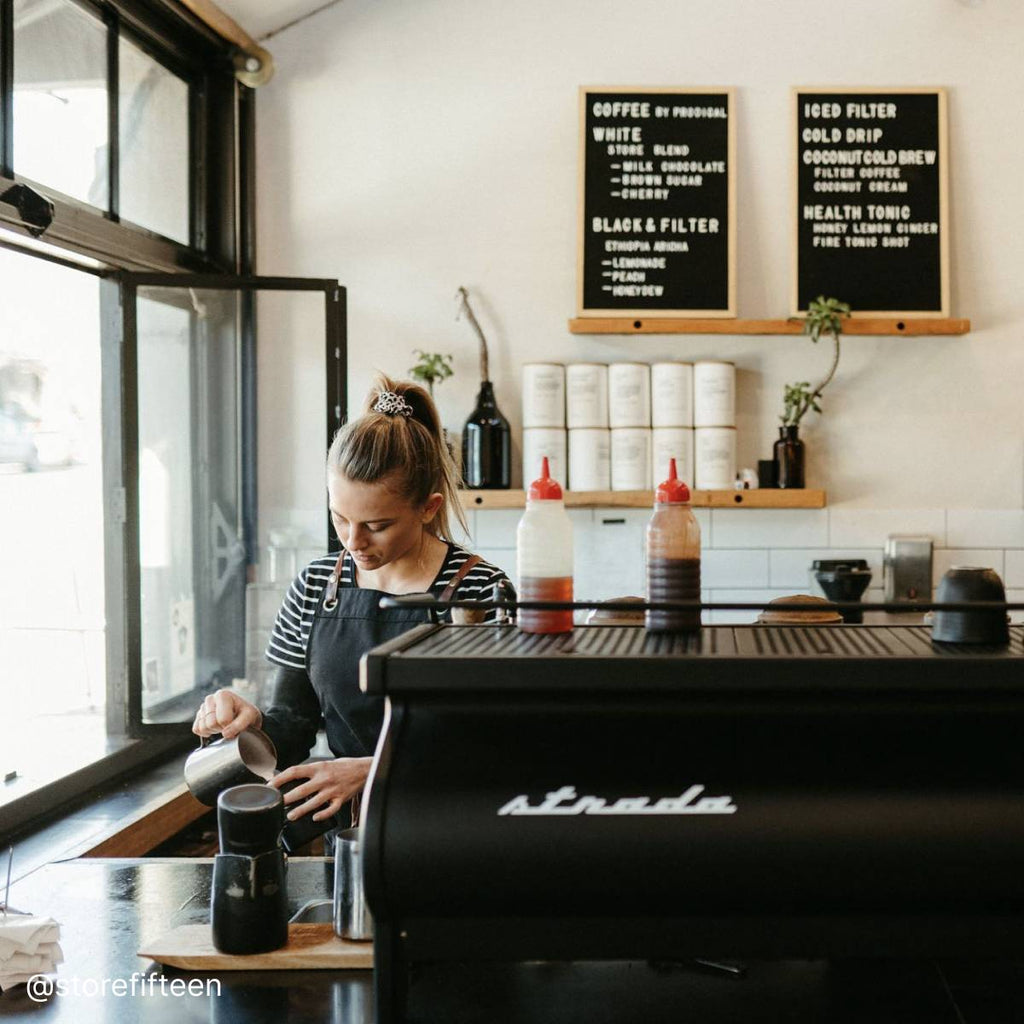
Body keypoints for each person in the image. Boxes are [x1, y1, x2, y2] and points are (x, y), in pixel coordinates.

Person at [192, 374, 513, 829]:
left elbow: (496, 744)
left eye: (377, 525)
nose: (354, 541)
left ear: (428, 506)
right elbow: (294, 725)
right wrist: (250, 724)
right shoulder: (315, 585)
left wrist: (371, 769)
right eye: (340, 518)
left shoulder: (481, 591)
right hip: (349, 835)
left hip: (452, 828)